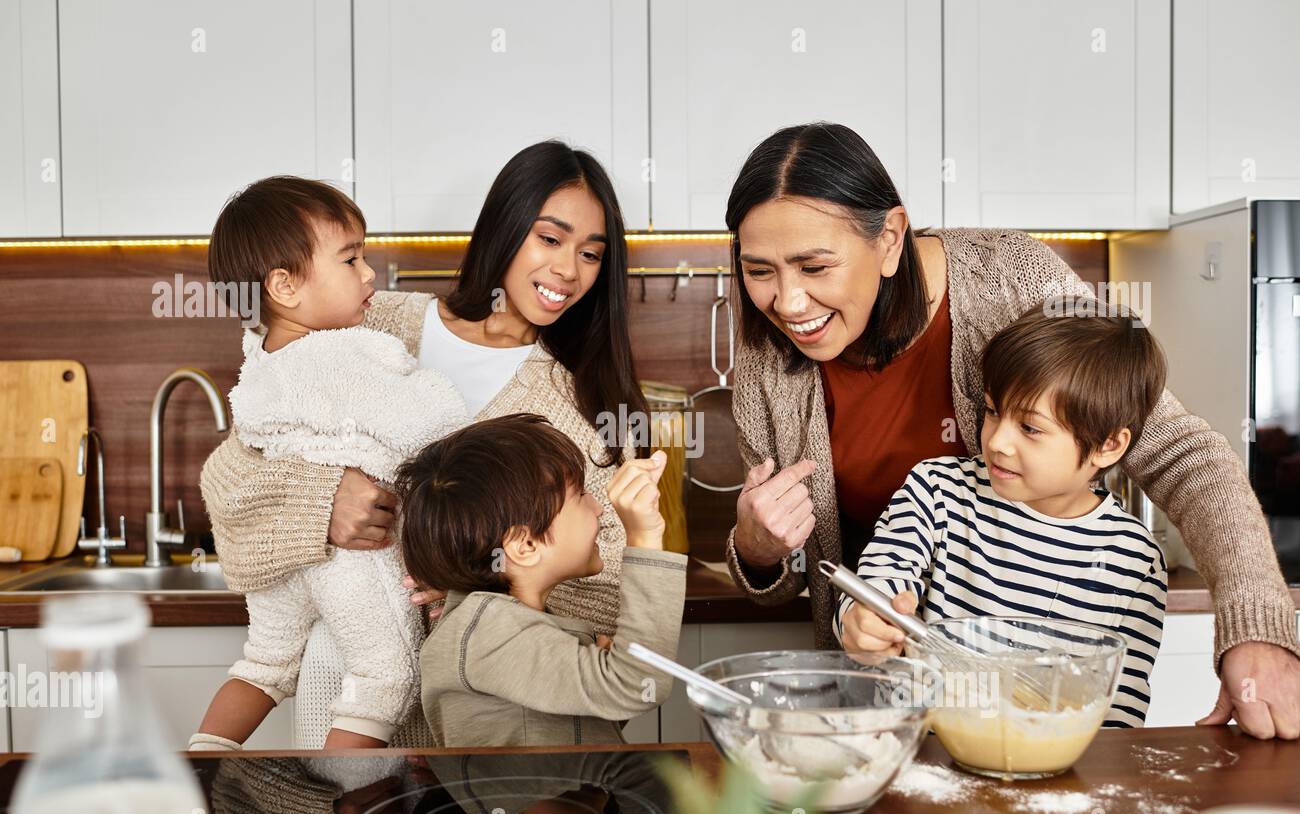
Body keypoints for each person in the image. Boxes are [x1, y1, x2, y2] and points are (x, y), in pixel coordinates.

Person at [725, 122, 1300, 740]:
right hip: (888, 699)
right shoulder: (767, 362)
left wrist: (1258, 625)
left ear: (889, 239)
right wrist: (757, 548)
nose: (788, 302)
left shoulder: (1009, 277)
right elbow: (800, 578)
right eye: (759, 271)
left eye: (814, 266)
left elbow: (1182, 454)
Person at [190, 176, 468, 752]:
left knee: (266, 662)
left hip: (283, 562)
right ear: (285, 286)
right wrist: (447, 408)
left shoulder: (261, 359)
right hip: (352, 560)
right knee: (385, 678)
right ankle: (343, 789)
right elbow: (430, 429)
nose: (369, 275)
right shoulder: (343, 353)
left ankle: (204, 757)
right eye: (350, 259)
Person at [837, 300, 1166, 728]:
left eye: (1030, 427)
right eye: (993, 411)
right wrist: (863, 621)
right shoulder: (939, 491)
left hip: (1052, 760)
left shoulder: (1133, 560)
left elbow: (1117, 719)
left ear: (1108, 445)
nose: (996, 442)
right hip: (916, 747)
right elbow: (879, 582)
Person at [396, 414, 685, 747]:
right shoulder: (492, 634)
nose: (598, 509)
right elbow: (638, 685)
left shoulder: (502, 626)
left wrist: (601, 662)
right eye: (581, 496)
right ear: (526, 546)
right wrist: (644, 539)